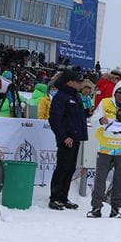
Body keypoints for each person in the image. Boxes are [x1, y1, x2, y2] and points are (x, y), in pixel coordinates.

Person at [88, 80, 121, 218]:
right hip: (105, 148)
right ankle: (96, 208)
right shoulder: (105, 103)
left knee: (120, 181)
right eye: (119, 93)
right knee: (100, 179)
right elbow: (93, 120)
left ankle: (116, 209)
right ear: (115, 92)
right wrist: (101, 121)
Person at [47, 70, 87, 210]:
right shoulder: (61, 96)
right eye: (78, 81)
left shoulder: (75, 96)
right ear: (70, 82)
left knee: (70, 168)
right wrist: (63, 136)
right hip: (66, 139)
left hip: (75, 138)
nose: (80, 84)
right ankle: (54, 198)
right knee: (62, 167)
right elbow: (55, 119)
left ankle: (64, 197)